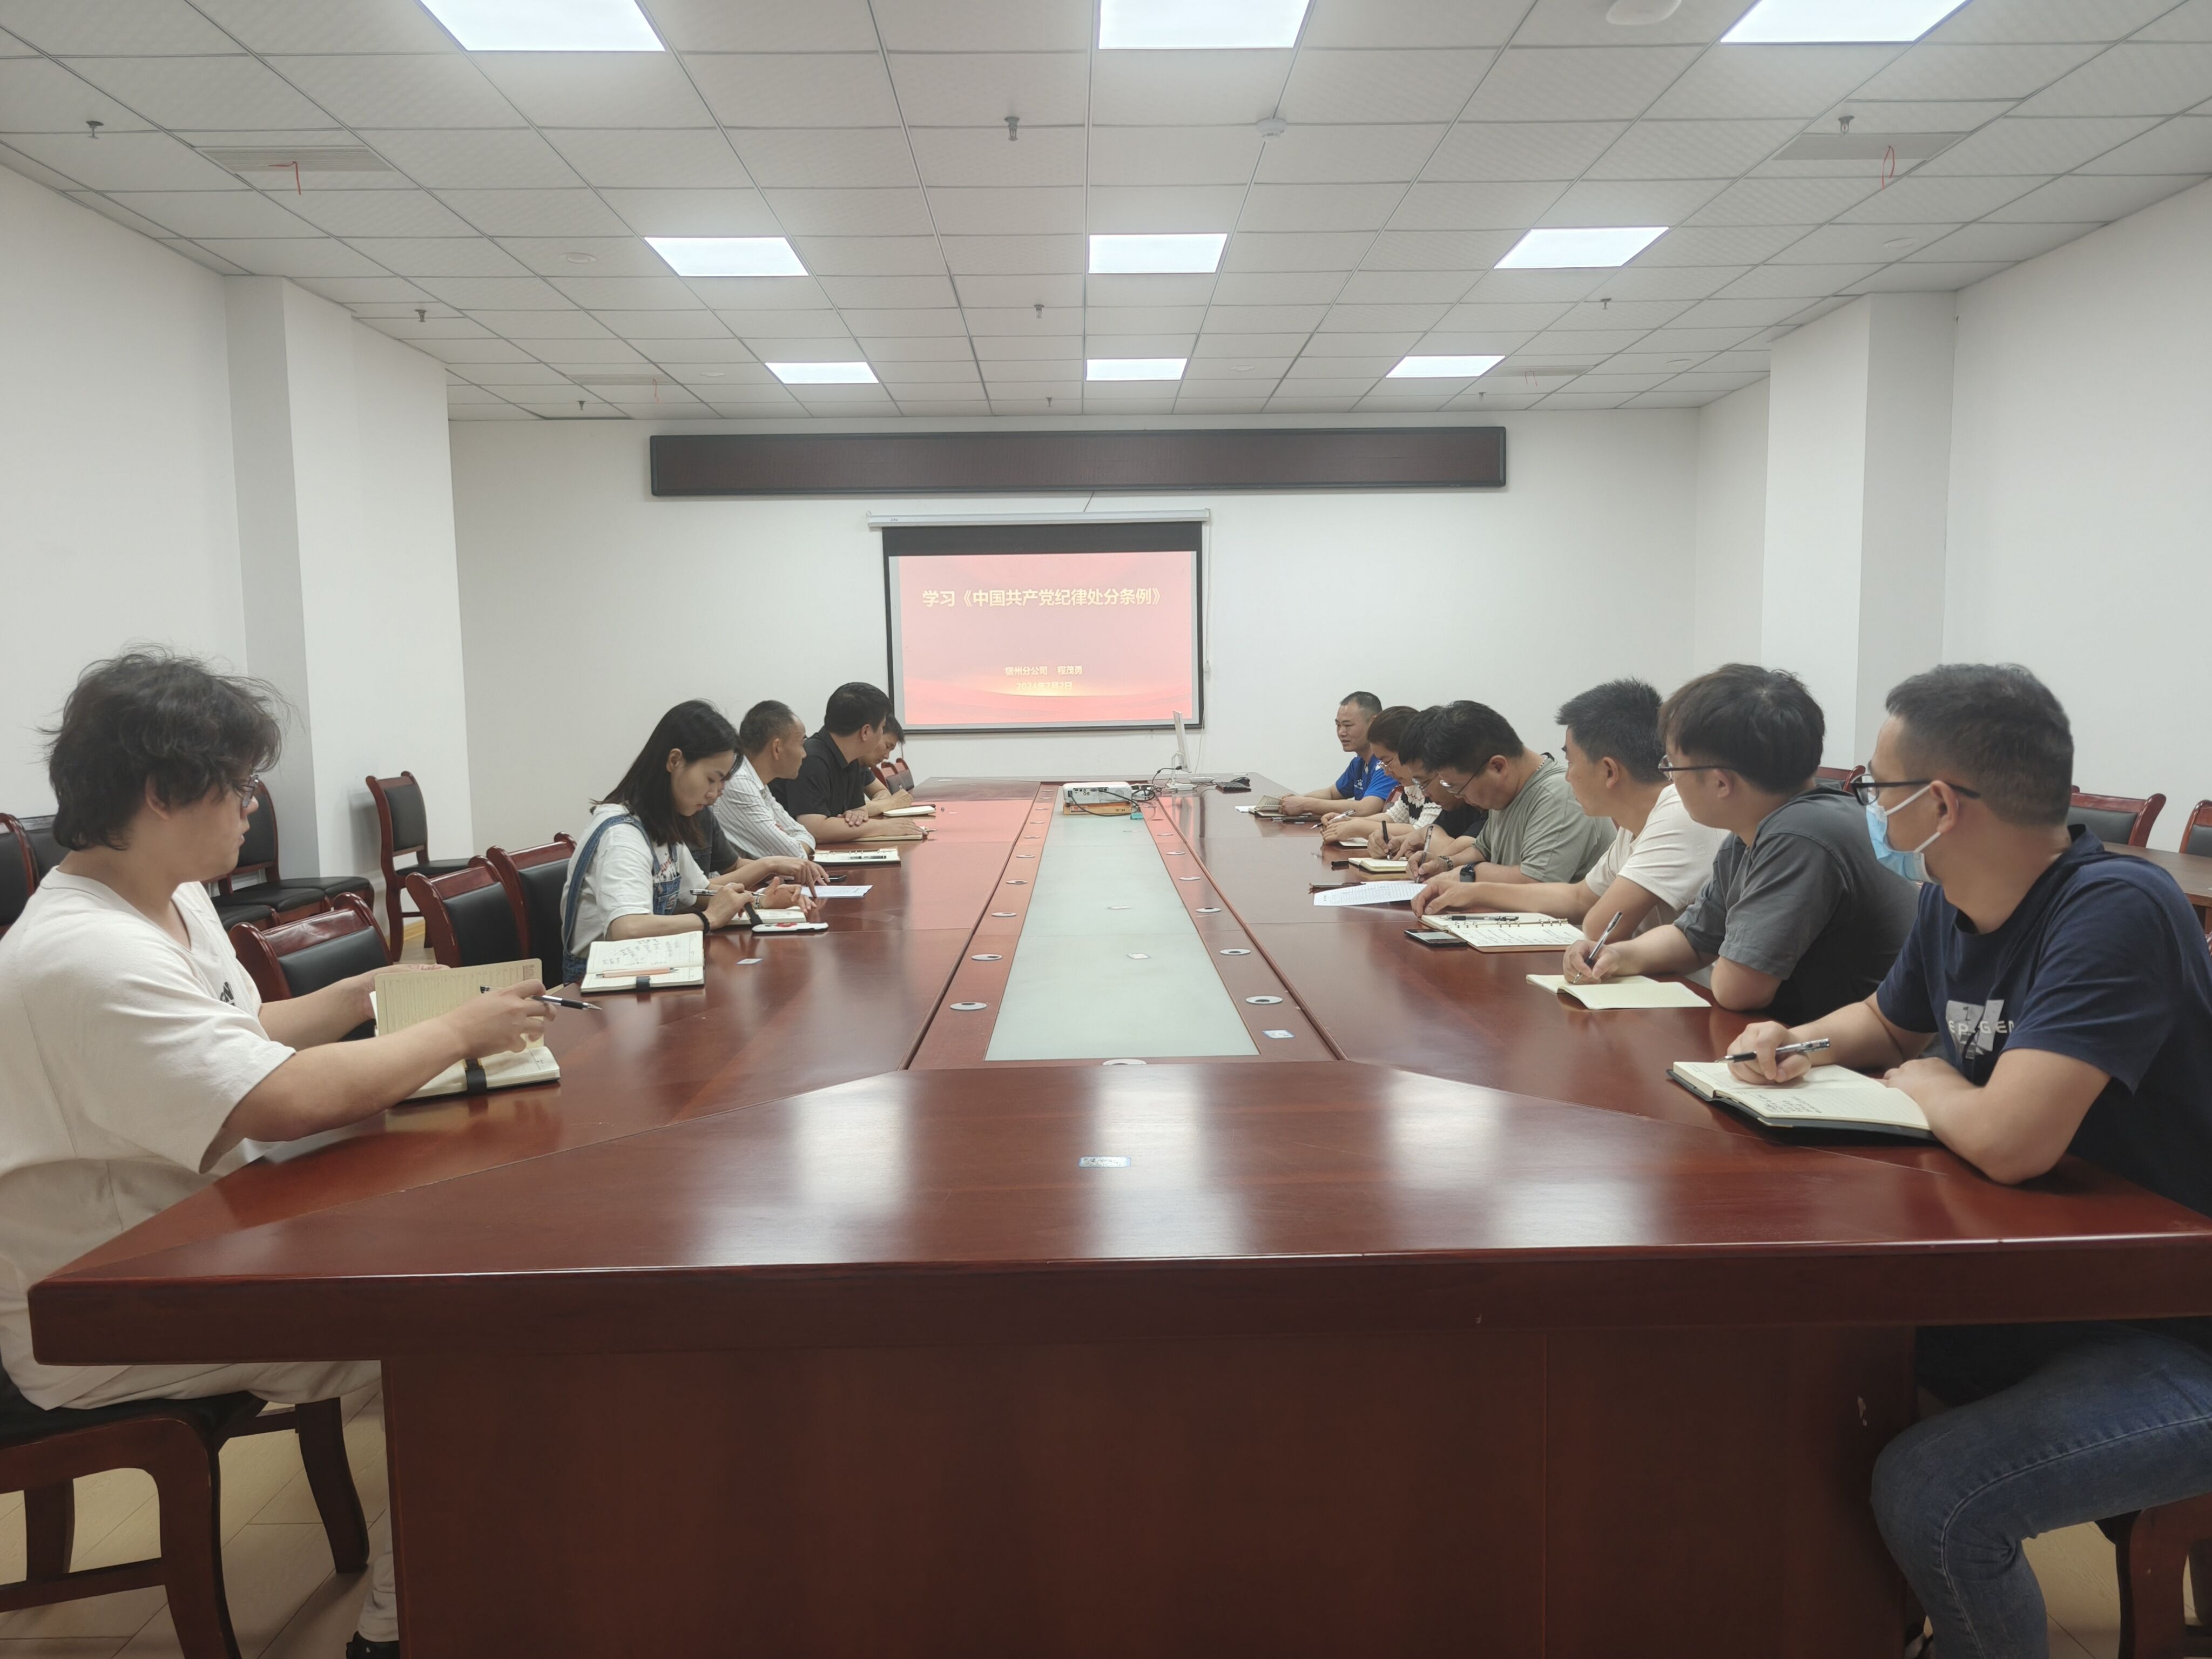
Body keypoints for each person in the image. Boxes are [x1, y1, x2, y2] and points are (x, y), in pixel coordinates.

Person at [0, 651, 554, 1659]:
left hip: (191, 1233)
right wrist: (456, 1032)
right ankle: (398, 1633)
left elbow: (238, 1030)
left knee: (459, 1278)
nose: (254, 807)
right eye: (241, 785)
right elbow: (281, 1099)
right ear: (163, 793)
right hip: (99, 1303)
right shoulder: (84, 954)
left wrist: (360, 993)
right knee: (456, 1339)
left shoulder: (166, 896)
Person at [1720, 664, 2212, 1653]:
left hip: (2173, 1326)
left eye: (1877, 787)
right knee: (1810, 1372)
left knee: (1934, 1492)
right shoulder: (1954, 897)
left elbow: (2012, 1143)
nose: (1868, 807)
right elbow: (1888, 1021)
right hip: (2051, 1288)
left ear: (1939, 804)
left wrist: (1937, 1086)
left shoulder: (2114, 907)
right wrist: (1798, 1041)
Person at [1573, 664, 1916, 1018]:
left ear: (1721, 783)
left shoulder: (1800, 835)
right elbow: (1694, 939)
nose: (1669, 780)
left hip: (1856, 1048)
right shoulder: (1750, 834)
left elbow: (1738, 989)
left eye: (1672, 766)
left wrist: (1728, 955)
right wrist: (1617, 955)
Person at [1413, 680, 1728, 943]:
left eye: (1572, 762)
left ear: (1609, 772)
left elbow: (1599, 925)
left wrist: (1474, 885)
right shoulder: (1636, 825)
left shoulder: (1675, 816)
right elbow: (1579, 898)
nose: (1568, 776)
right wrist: (1472, 893)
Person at [561, 700, 813, 980]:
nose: (714, 795)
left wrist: (761, 901)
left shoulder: (662, 825)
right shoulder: (622, 835)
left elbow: (701, 892)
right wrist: (709, 919)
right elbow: (627, 929)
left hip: (643, 970)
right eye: (712, 779)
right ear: (675, 761)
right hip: (599, 984)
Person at [1404, 702, 1612, 906]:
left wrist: (1469, 873)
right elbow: (1482, 849)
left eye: (1458, 787)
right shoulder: (1505, 792)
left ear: (1497, 766)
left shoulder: (1558, 797)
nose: (1460, 797)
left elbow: (1536, 885)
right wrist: (1445, 864)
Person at [770, 683, 922, 846]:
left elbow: (859, 814)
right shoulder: (811, 758)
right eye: (882, 728)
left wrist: (853, 820)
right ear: (865, 732)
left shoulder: (851, 759)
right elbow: (814, 829)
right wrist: (883, 827)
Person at [713, 699, 819, 861]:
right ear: (777, 748)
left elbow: (804, 834)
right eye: (801, 744)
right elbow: (792, 856)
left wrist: (790, 842)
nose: (804, 754)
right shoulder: (738, 781)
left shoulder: (756, 779)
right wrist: (790, 842)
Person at [1274, 693, 1394, 821]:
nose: (1341, 732)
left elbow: (1366, 808)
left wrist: (1305, 805)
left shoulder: (1388, 764)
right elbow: (1331, 793)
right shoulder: (1359, 762)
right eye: (1338, 725)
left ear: (1373, 723)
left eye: (1348, 725)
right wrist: (1297, 800)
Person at [1321, 705, 1420, 847]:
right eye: (1338, 725)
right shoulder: (1411, 787)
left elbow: (1422, 832)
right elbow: (1392, 818)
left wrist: (1357, 827)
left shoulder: (1431, 785)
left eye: (1387, 762)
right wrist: (1348, 822)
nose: (1387, 772)